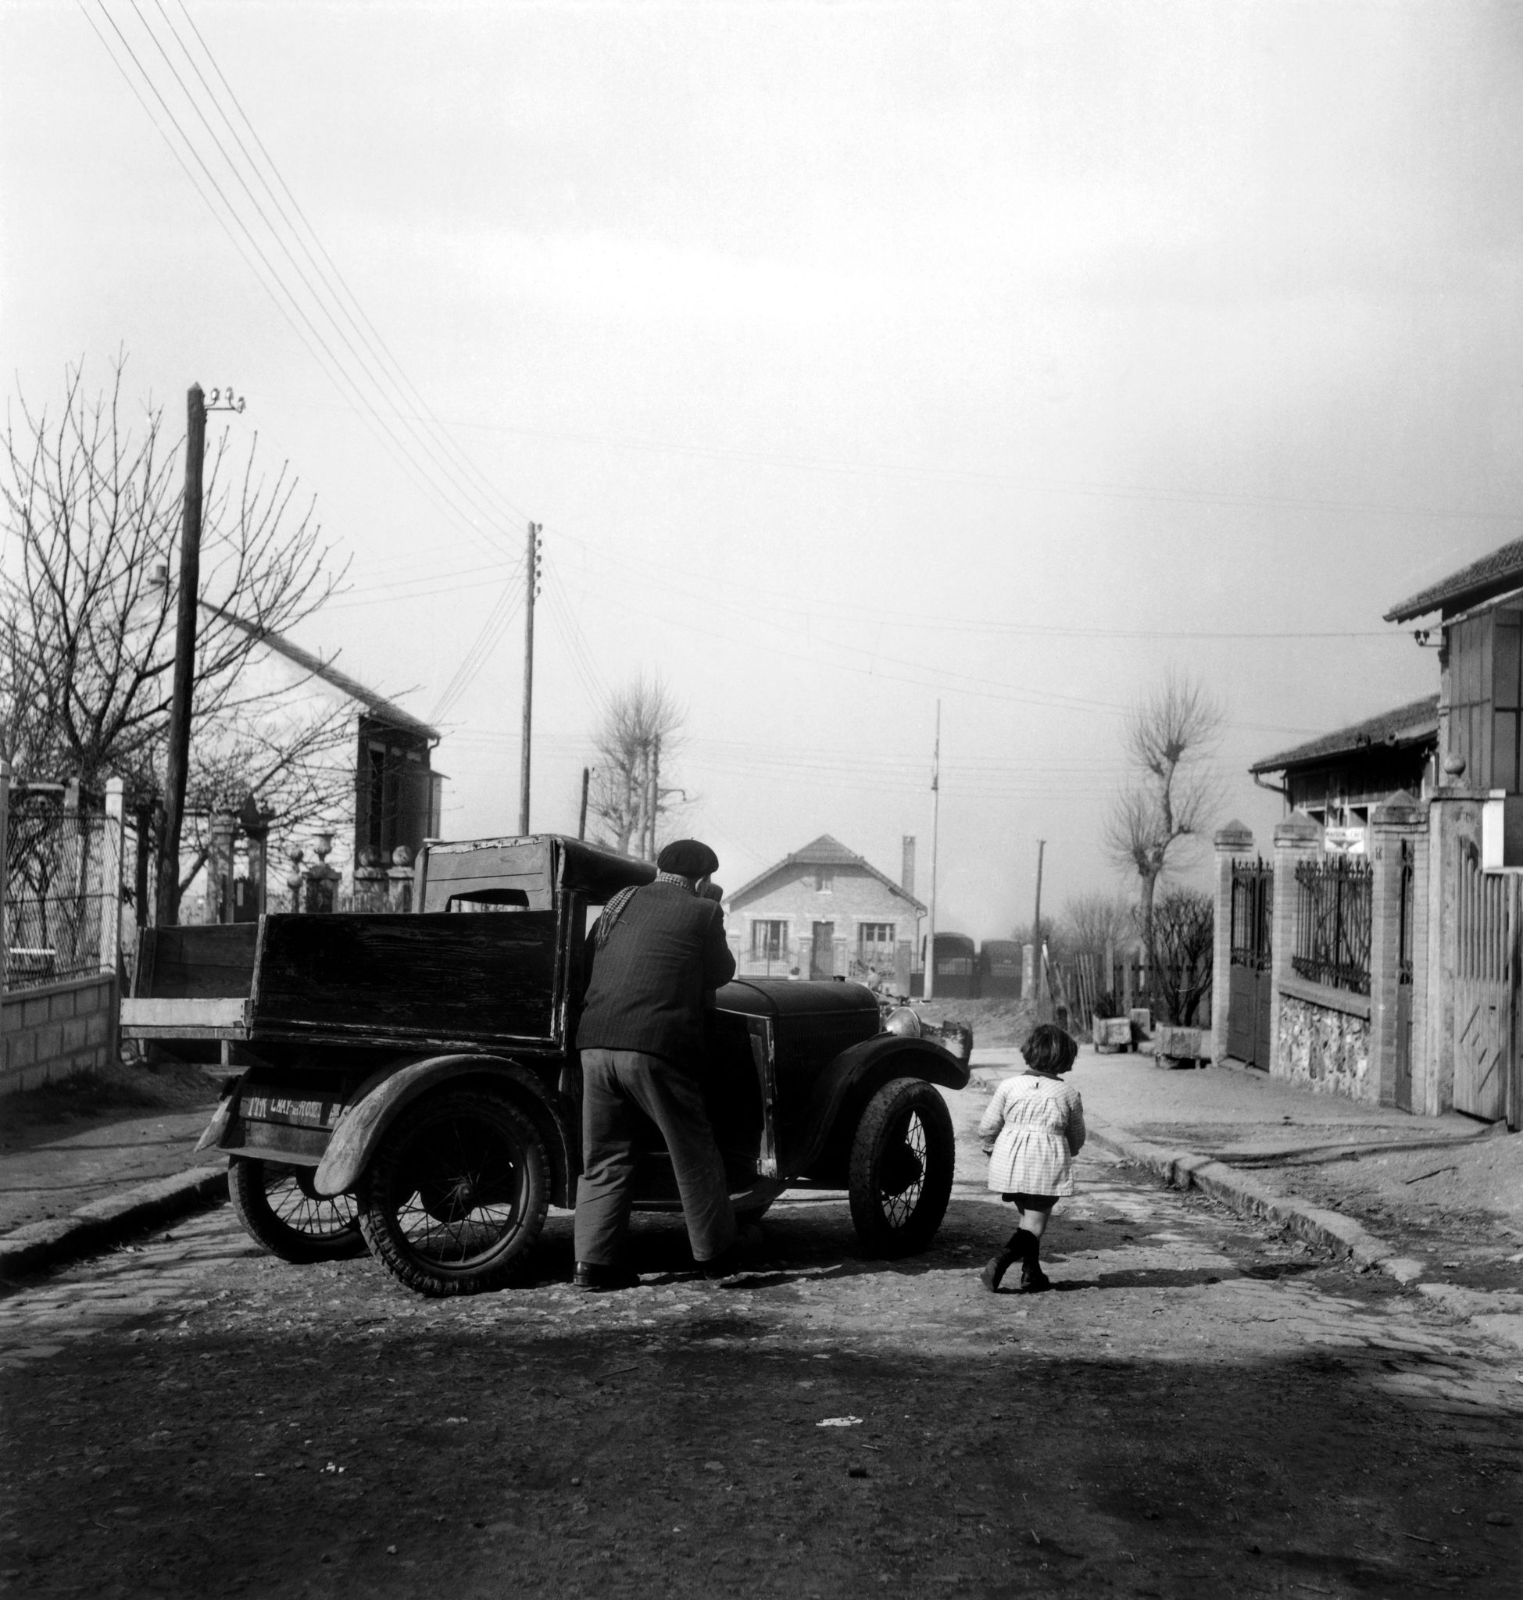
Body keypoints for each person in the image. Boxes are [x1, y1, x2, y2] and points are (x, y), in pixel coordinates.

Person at [572, 838, 741, 1290]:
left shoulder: (620, 901)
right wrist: (709, 908)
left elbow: (591, 958)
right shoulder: (703, 911)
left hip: (595, 1044)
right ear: (703, 879)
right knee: (694, 1152)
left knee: (605, 1156)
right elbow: (721, 972)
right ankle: (716, 1257)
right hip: (655, 1047)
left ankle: (593, 1265)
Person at [976, 1022, 1084, 1293]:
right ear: (1065, 1058)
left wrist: (991, 1149)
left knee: (1027, 1221)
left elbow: (988, 1127)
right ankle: (998, 1264)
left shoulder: (1009, 1085)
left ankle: (1031, 1273)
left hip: (1008, 1165)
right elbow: (1077, 1136)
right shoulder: (1068, 1094)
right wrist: (1067, 1150)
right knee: (1034, 1225)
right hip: (1045, 1165)